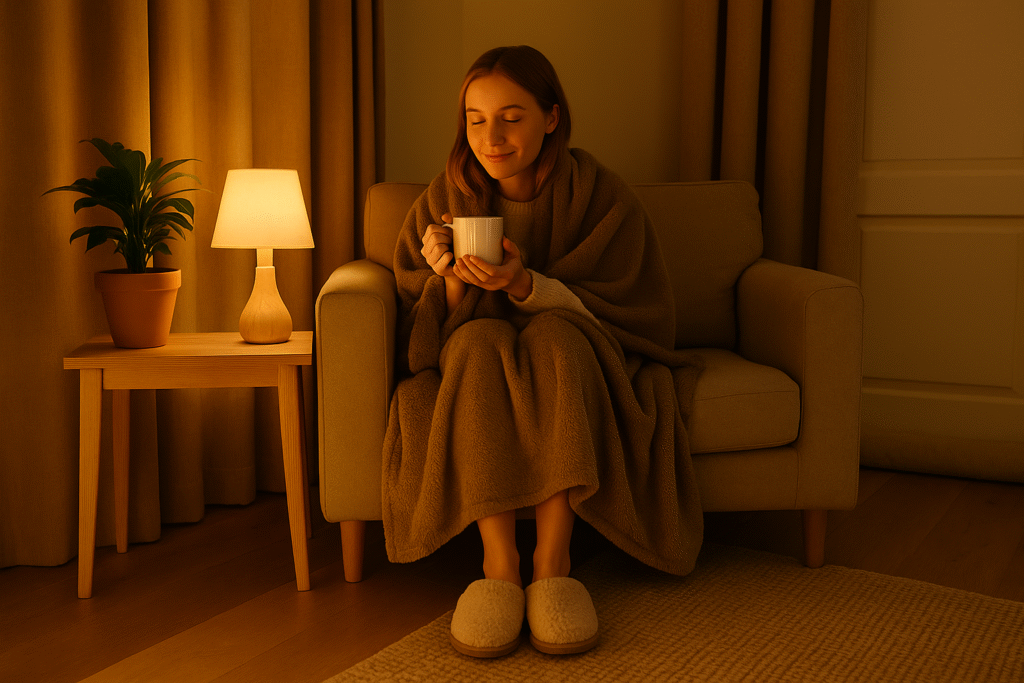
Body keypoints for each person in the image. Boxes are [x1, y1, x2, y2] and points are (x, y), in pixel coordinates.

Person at [384, 45, 703, 658]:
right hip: (475, 347)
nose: (491, 136)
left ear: (551, 117)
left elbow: (631, 310)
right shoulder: (442, 199)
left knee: (558, 339)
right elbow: (426, 342)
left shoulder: (601, 194)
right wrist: (450, 277)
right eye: (476, 119)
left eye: (512, 116)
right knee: (478, 344)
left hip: (576, 345)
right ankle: (499, 567)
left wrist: (525, 286)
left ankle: (553, 565)